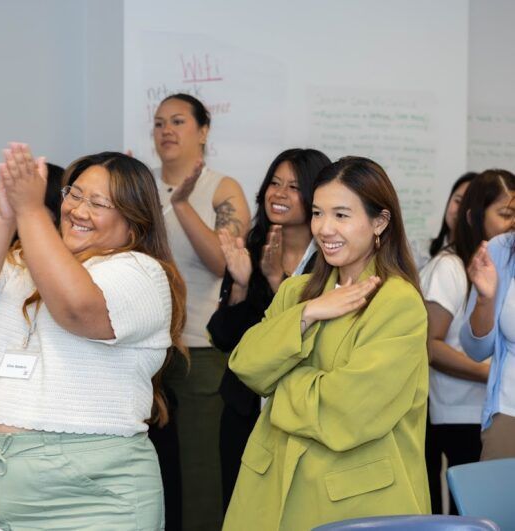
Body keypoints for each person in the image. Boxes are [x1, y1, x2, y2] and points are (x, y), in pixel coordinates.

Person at [0, 144, 186, 529]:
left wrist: (29, 211)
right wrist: (5, 213)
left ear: (133, 221)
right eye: (74, 194)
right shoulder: (22, 260)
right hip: (4, 486)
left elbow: (77, 309)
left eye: (98, 203)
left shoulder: (142, 273)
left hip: (97, 499)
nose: (78, 210)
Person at [223, 157, 429, 530]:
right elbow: (245, 365)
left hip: (352, 504)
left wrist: (282, 383)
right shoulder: (297, 292)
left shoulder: (397, 301)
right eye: (318, 213)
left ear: (379, 222)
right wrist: (309, 313)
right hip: (269, 491)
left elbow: (346, 412)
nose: (325, 228)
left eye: (341, 215)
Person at [206, 148, 330, 511]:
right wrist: (243, 284)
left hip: (303, 411)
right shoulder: (250, 249)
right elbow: (226, 340)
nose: (279, 193)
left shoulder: (332, 257)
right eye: (275, 183)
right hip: (245, 411)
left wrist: (279, 281)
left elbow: (311, 337)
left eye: (293, 186)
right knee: (242, 507)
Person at [151, 93, 251, 530]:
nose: (166, 131)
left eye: (177, 121)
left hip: (200, 350)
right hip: (145, 351)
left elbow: (221, 262)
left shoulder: (222, 188)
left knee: (199, 475)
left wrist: (182, 204)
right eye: (158, 123)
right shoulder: (139, 185)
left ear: (203, 131)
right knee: (152, 472)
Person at [422, 170, 513, 512]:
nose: (511, 222)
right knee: (481, 512)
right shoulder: (456, 265)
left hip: (484, 409)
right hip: (461, 413)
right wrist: (492, 373)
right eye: (505, 214)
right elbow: (430, 344)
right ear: (475, 216)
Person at [460, 169, 515, 461]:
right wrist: (485, 298)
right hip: (510, 412)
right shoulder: (502, 249)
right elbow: (476, 349)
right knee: (498, 506)